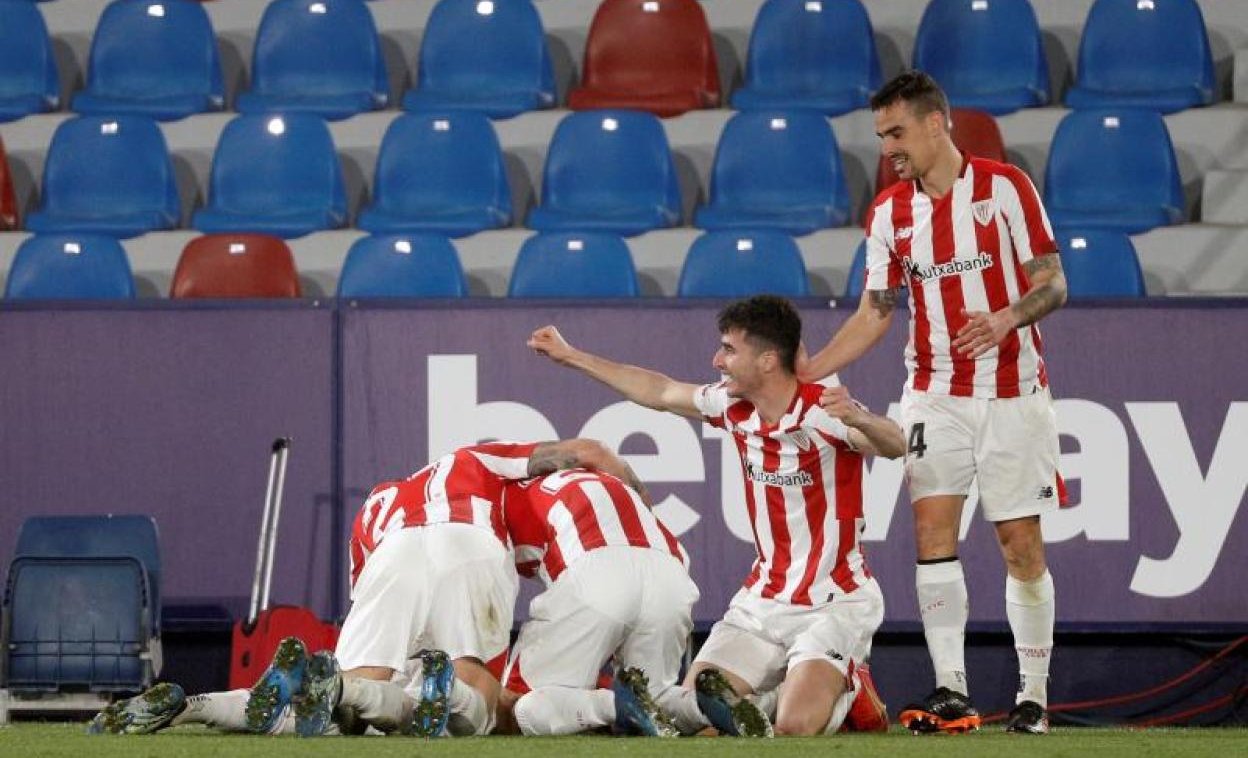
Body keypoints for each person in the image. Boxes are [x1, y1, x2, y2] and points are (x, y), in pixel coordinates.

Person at [800, 71, 1068, 736]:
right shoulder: (889, 212)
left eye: (896, 132)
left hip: (1012, 392)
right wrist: (812, 369)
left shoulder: (1005, 189)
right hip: (933, 393)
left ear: (935, 124)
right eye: (881, 135)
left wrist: (1005, 320)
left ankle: (1033, 695)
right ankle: (953, 689)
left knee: (1019, 545)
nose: (888, 147)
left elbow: (1054, 283)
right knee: (931, 535)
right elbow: (876, 310)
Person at [528, 295, 905, 737]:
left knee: (795, 728)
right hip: (762, 603)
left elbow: (896, 444)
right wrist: (572, 357)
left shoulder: (823, 411)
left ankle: (852, 689)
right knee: (698, 721)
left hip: (834, 603)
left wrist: (861, 418)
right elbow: (661, 391)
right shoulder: (731, 406)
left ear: (767, 360)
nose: (717, 360)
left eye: (729, 349)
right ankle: (765, 700)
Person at [89, 438, 643, 738]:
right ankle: (443, 690)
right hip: (468, 541)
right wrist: (635, 498)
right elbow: (587, 452)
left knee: (350, 698)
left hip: (391, 556)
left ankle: (197, 705)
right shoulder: (474, 460)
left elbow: (376, 598)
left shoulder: (377, 505)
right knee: (474, 706)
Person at [493, 467, 699, 738]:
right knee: (656, 697)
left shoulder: (496, 502)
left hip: (596, 572)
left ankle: (615, 705)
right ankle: (700, 707)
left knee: (515, 706)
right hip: (672, 576)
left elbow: (488, 601)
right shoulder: (598, 478)